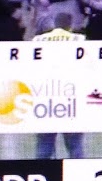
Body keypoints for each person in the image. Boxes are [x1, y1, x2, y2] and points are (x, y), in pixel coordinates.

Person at [32, 14, 86, 159]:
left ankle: (41, 171)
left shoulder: (39, 40)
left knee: (44, 147)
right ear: (70, 26)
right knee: (75, 147)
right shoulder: (79, 39)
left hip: (46, 99)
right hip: (71, 99)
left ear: (54, 24)